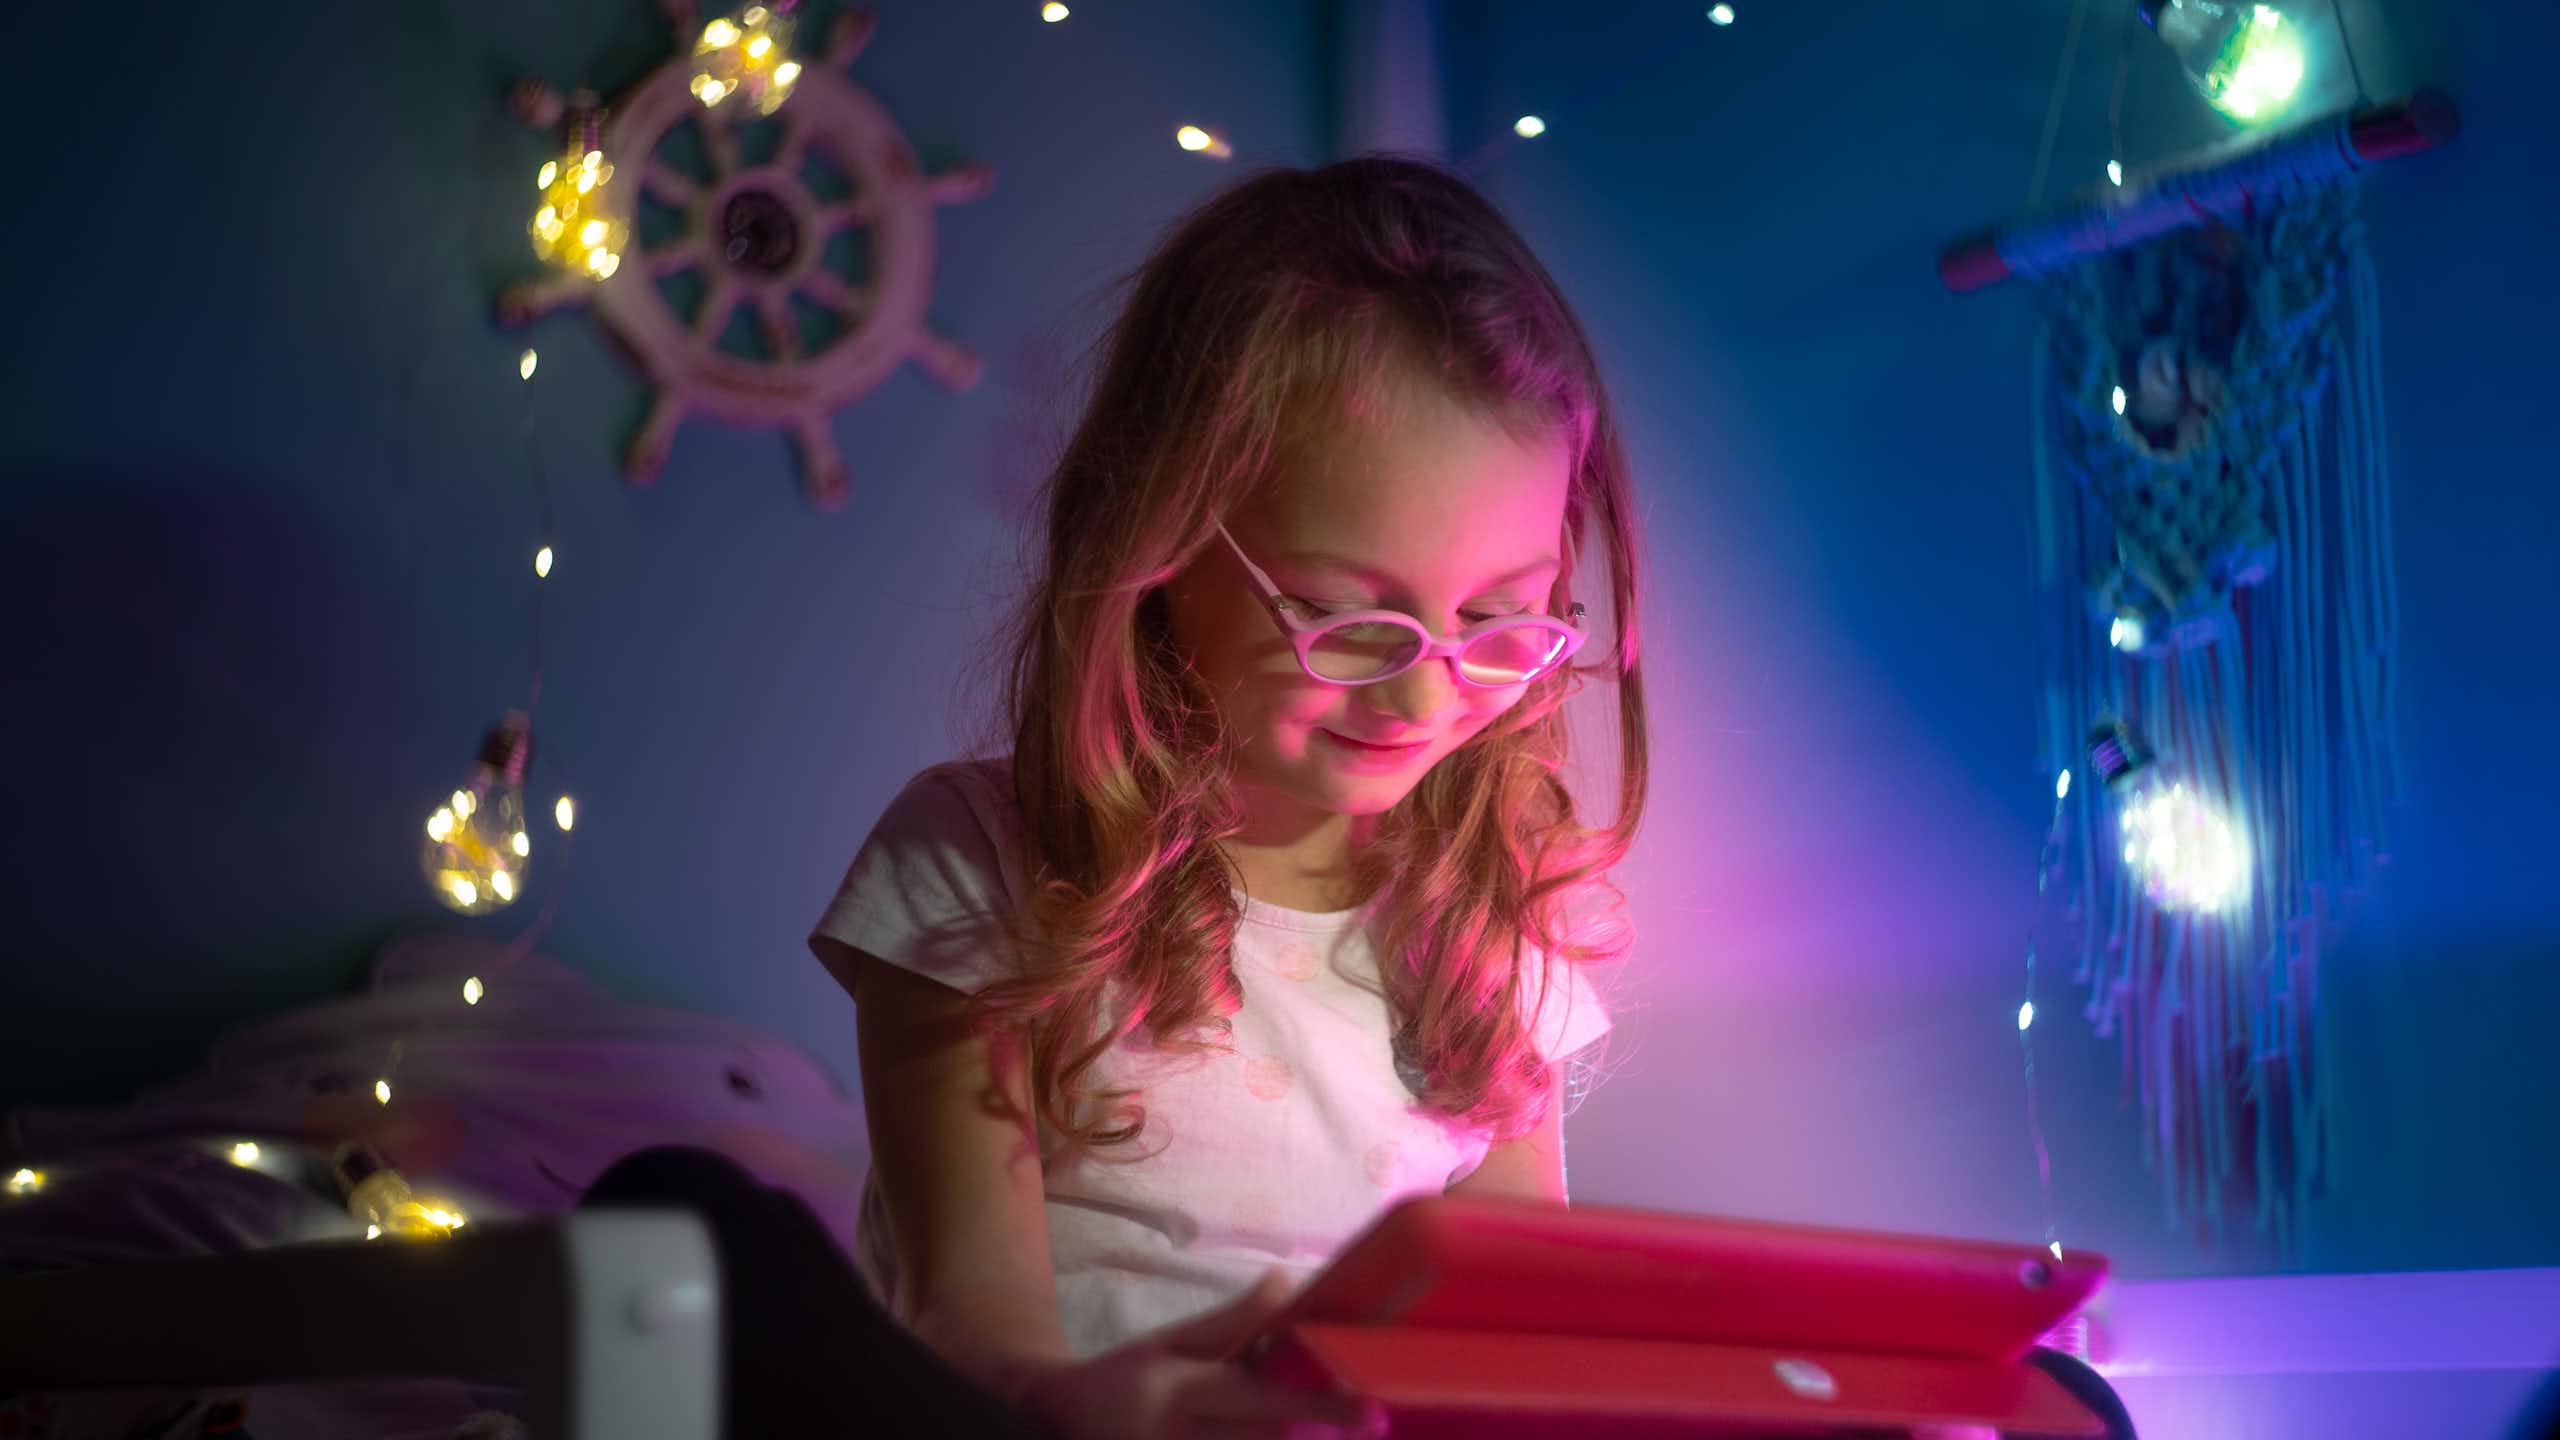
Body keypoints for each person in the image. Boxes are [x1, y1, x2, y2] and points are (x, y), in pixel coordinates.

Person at [811, 152, 1648, 1439]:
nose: (1422, 698)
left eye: (1499, 620)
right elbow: (968, 1330)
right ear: (1158, 547)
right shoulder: (977, 862)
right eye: (1342, 616)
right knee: (698, 1211)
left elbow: (1510, 1338)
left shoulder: (1493, 929)